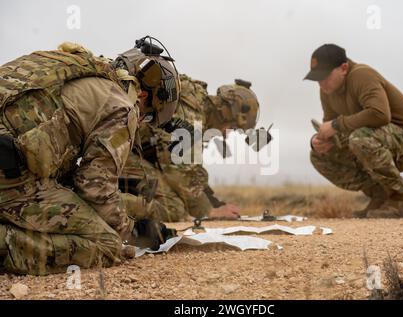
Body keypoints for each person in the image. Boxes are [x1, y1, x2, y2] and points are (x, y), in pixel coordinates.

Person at [0, 37, 179, 275]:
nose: (141, 120)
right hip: (10, 176)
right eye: (147, 116)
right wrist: (134, 232)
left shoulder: (75, 67)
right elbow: (95, 188)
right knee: (106, 245)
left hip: (10, 159)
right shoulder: (121, 106)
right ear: (144, 97)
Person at [304, 44, 403, 218]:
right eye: (317, 78)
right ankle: (381, 196)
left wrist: (335, 126)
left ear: (344, 68)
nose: (321, 83)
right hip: (373, 140)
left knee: (360, 138)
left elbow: (380, 114)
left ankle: (401, 201)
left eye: (325, 76)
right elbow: (333, 127)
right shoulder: (327, 91)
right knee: (319, 155)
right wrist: (319, 141)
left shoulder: (362, 75)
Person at [120, 76, 260, 222]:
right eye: (233, 127)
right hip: (116, 150)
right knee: (173, 209)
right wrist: (208, 211)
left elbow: (193, 170)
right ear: (226, 114)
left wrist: (213, 203)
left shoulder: (198, 108)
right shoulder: (193, 115)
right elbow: (177, 167)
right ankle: (101, 203)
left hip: (127, 150)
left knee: (182, 204)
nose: (229, 134)